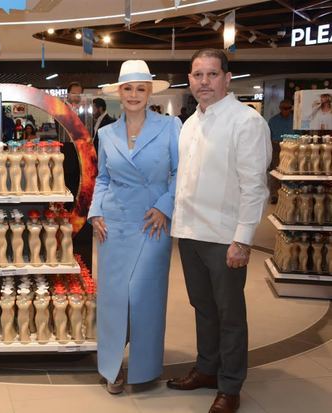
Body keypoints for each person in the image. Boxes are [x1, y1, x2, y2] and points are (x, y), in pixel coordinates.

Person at [168, 49, 271, 413]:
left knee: (229, 314)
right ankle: (207, 369)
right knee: (203, 308)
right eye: (197, 75)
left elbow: (255, 186)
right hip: (191, 234)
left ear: (227, 79)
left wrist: (243, 239)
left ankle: (230, 385)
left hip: (225, 237)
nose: (204, 82)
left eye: (212, 74)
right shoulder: (190, 123)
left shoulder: (245, 122)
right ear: (190, 80)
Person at [88, 59, 180, 394]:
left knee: (144, 296)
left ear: (149, 92)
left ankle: (145, 367)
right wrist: (96, 212)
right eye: (128, 88)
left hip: (153, 223)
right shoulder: (106, 133)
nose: (134, 95)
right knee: (113, 300)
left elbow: (179, 174)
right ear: (119, 93)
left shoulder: (171, 127)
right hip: (113, 226)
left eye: (141, 88)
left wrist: (164, 206)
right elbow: (102, 178)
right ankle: (112, 368)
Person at [268, 99, 295, 203]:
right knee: (276, 170)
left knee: (290, 169)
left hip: (292, 146)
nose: (286, 110)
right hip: (277, 146)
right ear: (280, 108)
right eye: (284, 108)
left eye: (288, 108)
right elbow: (269, 136)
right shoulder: (273, 120)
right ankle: (275, 194)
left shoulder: (294, 120)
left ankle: (289, 192)